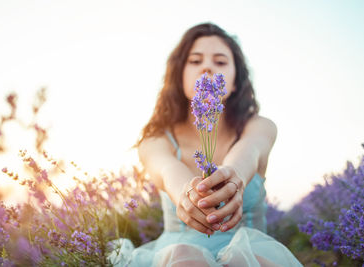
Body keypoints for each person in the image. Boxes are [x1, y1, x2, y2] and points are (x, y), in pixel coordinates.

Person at [108, 22, 302, 267]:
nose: (208, 67)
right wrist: (185, 196)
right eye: (195, 61)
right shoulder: (156, 139)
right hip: (178, 256)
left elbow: (249, 151)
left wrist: (233, 178)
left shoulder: (259, 127)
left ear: (234, 82)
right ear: (179, 75)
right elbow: (168, 170)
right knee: (184, 259)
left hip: (250, 254)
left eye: (220, 62)